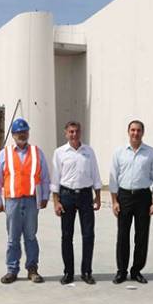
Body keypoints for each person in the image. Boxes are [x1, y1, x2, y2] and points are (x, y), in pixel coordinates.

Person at [0, 118, 50, 284]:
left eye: (24, 132)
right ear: (13, 135)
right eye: (18, 132)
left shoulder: (37, 153)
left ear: (28, 133)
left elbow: (45, 177)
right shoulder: (5, 153)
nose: (22, 135)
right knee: (13, 237)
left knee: (31, 236)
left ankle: (32, 269)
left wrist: (45, 197)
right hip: (12, 201)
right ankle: (12, 270)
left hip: (32, 200)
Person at [109, 120, 153, 284]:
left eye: (138, 130)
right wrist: (114, 201)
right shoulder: (119, 152)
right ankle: (121, 271)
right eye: (132, 130)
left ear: (143, 133)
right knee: (123, 235)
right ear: (128, 132)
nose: (135, 133)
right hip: (124, 196)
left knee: (142, 235)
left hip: (143, 198)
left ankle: (136, 270)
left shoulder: (151, 153)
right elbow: (113, 178)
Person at [51, 121, 102, 285]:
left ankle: (87, 271)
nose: (74, 134)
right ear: (66, 133)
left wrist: (98, 196)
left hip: (86, 196)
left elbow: (95, 174)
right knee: (67, 236)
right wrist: (56, 201)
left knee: (88, 235)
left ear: (81, 133)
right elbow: (55, 179)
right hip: (67, 196)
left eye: (77, 131)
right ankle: (68, 272)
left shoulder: (89, 151)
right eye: (71, 132)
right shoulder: (59, 152)